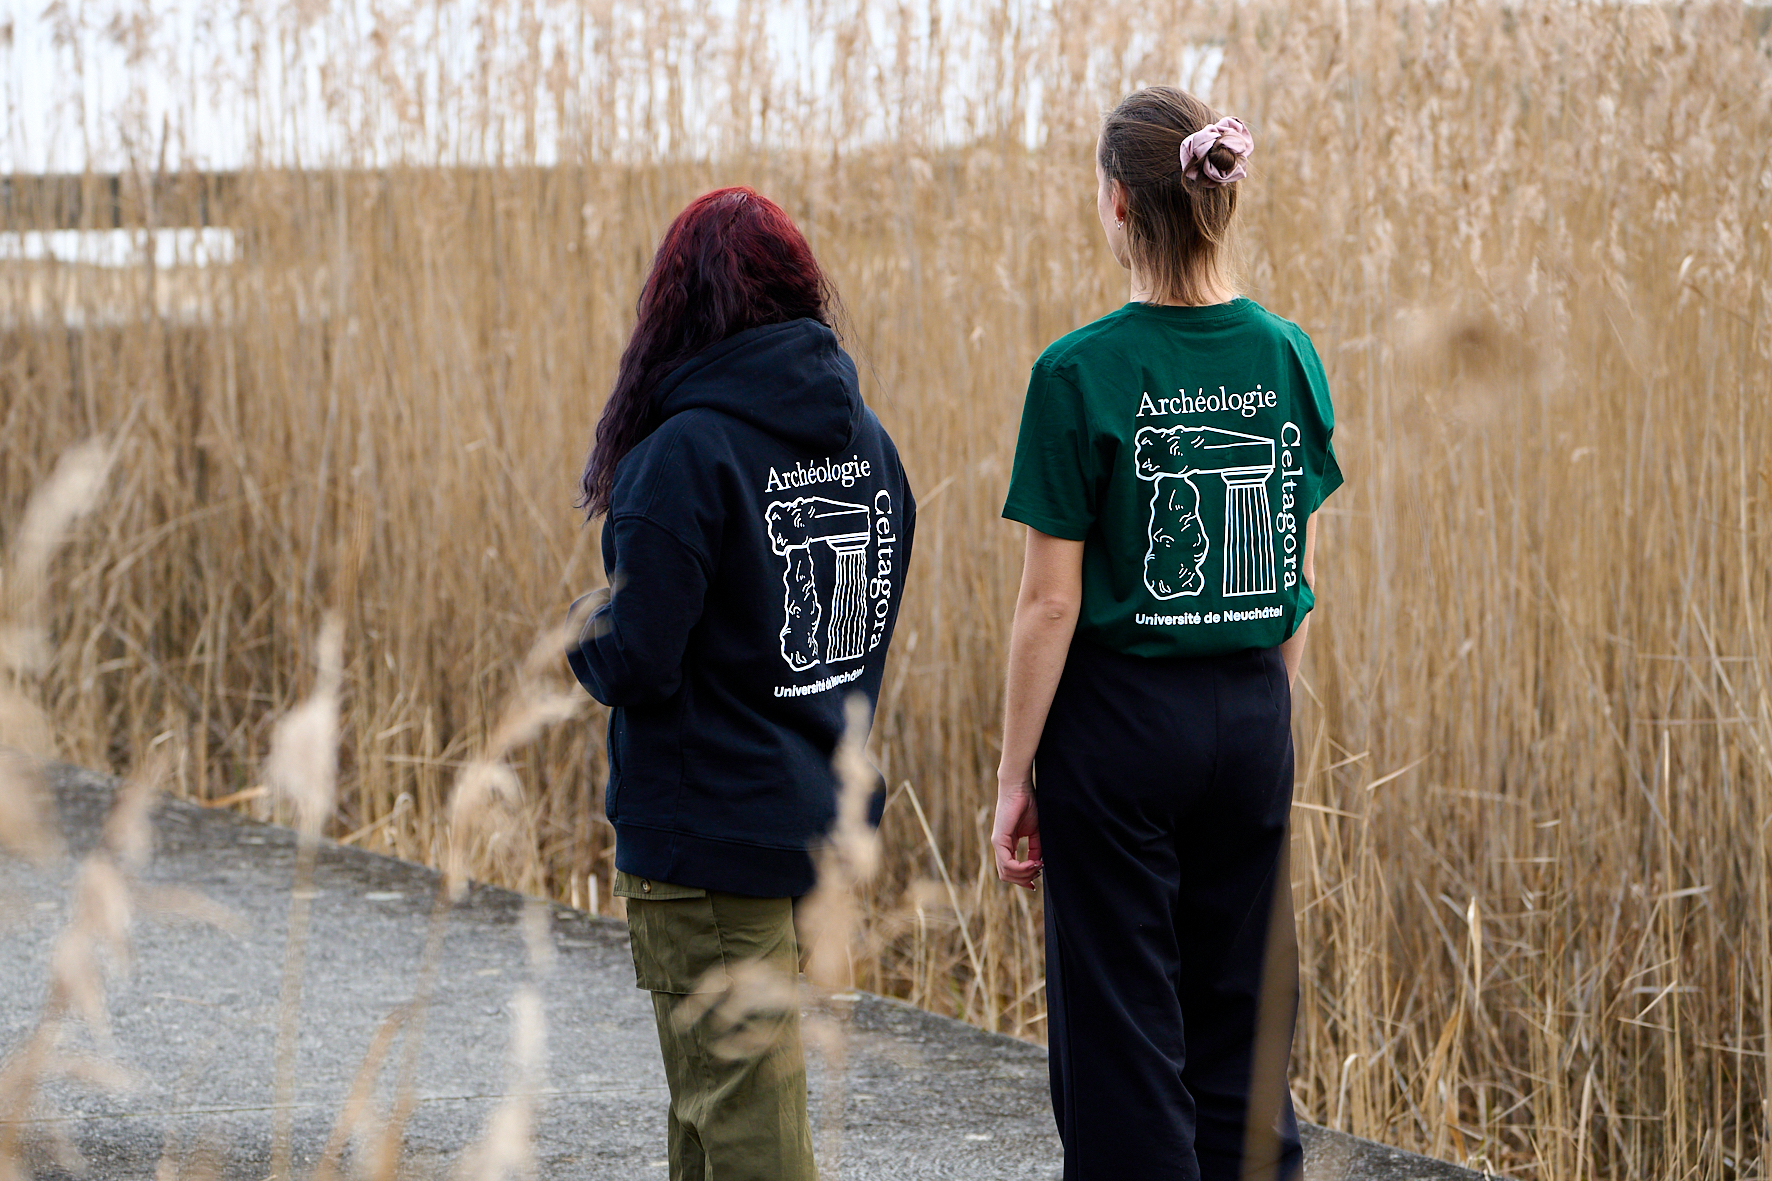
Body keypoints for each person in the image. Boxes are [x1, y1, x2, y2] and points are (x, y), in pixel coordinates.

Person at [991, 87, 1342, 1181]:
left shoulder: (1075, 372)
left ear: (1116, 203)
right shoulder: (1286, 355)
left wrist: (1013, 776)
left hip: (1119, 734)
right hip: (1251, 711)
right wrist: (1257, 705)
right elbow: (1295, 575)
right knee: (1243, 1027)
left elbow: (1050, 605)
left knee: (1123, 1046)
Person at [566, 187, 915, 1181]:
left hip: (711, 841)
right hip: (812, 829)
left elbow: (639, 655)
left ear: (673, 308)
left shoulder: (683, 455)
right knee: (714, 1128)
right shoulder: (867, 443)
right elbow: (856, 632)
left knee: (750, 1143)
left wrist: (583, 628)